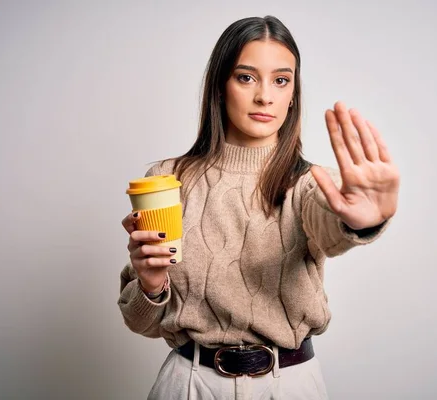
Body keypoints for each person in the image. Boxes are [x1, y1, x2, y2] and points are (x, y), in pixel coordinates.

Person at [118, 15, 400, 400]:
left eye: (281, 80)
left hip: (289, 386)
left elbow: (331, 229)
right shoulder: (167, 180)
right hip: (188, 385)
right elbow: (141, 323)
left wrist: (362, 223)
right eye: (246, 77)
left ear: (292, 94)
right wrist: (150, 285)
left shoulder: (313, 184)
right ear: (220, 86)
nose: (265, 96)